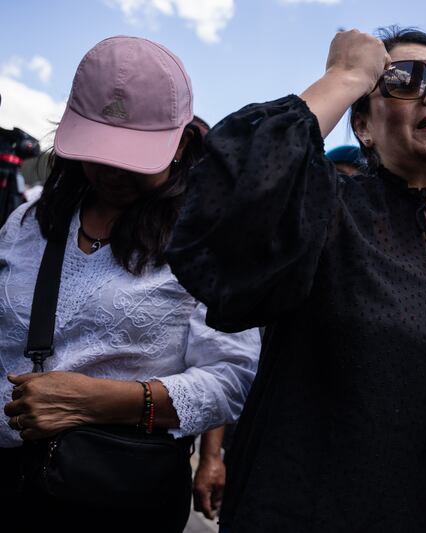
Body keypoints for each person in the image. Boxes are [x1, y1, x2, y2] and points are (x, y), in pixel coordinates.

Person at [165, 27, 426, 532]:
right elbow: (222, 217)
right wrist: (345, 75)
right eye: (403, 79)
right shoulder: (326, 210)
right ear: (364, 127)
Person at [0, 36, 260, 532]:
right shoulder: (27, 222)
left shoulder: (208, 242)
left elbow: (230, 379)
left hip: (114, 496)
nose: (112, 170)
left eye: (134, 155)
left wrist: (95, 401)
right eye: (98, 149)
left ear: (182, 144)